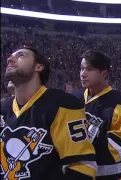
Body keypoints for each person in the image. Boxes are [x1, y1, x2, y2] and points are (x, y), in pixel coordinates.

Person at [0, 46, 97, 180]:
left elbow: (82, 167)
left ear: (38, 67)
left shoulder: (63, 104)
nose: (10, 59)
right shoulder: (3, 108)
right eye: (10, 56)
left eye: (21, 55)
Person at [73, 49, 121, 180]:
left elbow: (116, 151)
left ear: (104, 73)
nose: (83, 74)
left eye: (89, 69)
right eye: (81, 68)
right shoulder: (73, 100)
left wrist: (79, 142)